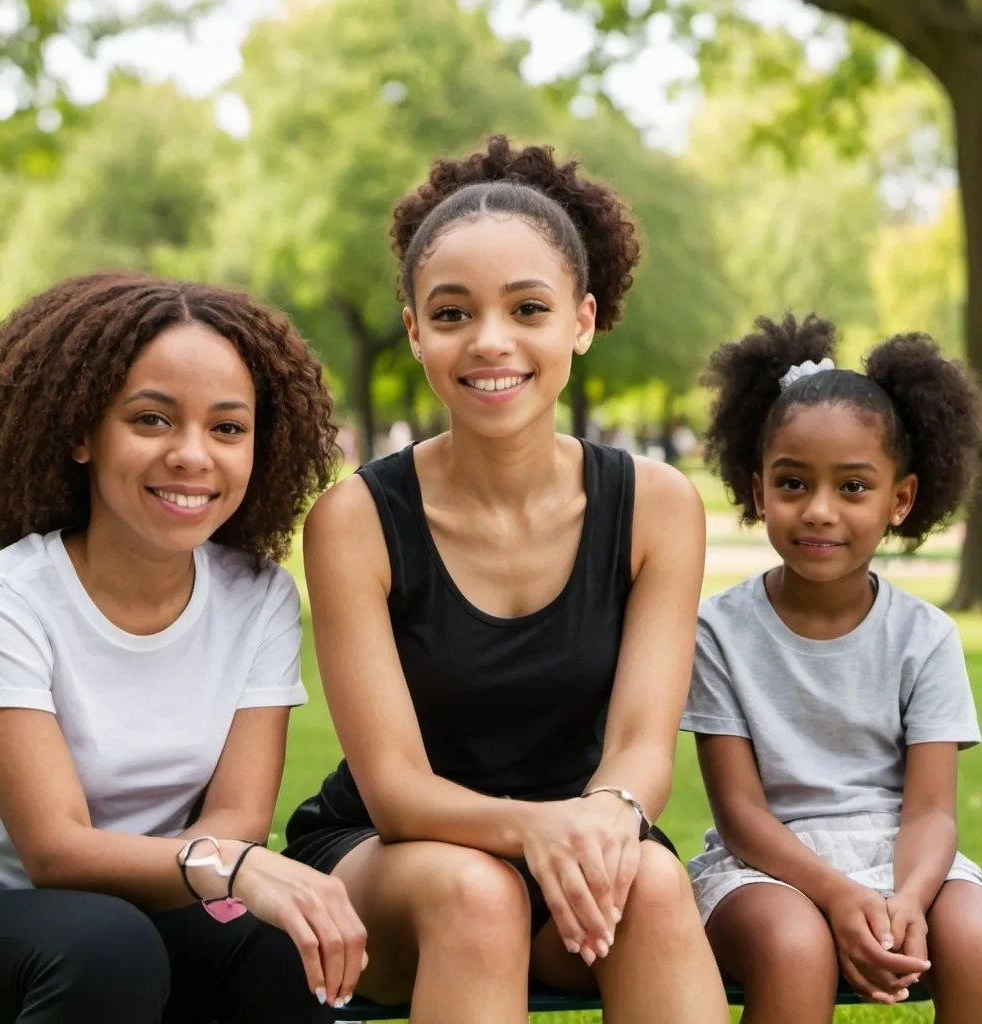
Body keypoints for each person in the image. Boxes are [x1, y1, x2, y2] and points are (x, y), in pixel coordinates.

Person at [285, 135, 730, 1023]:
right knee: (478, 892)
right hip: (395, 857)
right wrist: (538, 828)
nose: (491, 341)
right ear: (414, 332)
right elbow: (397, 790)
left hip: (578, 841)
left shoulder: (658, 506)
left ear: (583, 320)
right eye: (452, 315)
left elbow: (643, 748)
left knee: (649, 878)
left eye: (528, 307)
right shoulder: (356, 521)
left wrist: (601, 816)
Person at [0, 272, 367, 1023]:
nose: (192, 455)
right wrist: (230, 870)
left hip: (157, 899)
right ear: (80, 433)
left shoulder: (260, 597)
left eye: (227, 428)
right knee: (108, 946)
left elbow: (239, 813)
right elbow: (52, 851)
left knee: (279, 948)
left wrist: (228, 870)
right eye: (151, 420)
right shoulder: (3, 602)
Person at [683, 313, 982, 1023]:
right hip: (764, 869)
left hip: (903, 857)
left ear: (899, 500)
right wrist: (837, 894)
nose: (819, 511)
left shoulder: (925, 637)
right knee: (795, 946)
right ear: (759, 493)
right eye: (793, 484)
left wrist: (907, 898)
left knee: (974, 936)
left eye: (852, 488)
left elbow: (932, 810)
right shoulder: (719, 632)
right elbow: (741, 815)